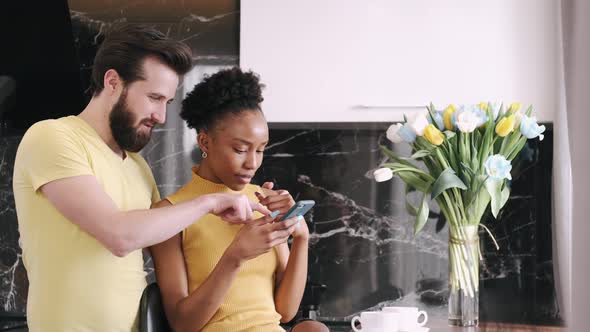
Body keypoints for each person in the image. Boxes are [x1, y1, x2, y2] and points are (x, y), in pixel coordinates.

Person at [12, 24, 270, 332]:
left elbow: (173, 245)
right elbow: (119, 237)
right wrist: (212, 201)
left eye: (167, 103)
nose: (160, 116)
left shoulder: (137, 166)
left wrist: (261, 222)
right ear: (112, 82)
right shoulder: (53, 137)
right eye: (153, 97)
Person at [150, 67, 329, 332]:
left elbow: (285, 312)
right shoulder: (170, 214)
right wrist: (235, 256)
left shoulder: (264, 201)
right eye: (240, 149)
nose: (252, 163)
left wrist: (301, 237)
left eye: (260, 150)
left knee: (313, 329)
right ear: (205, 142)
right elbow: (182, 324)